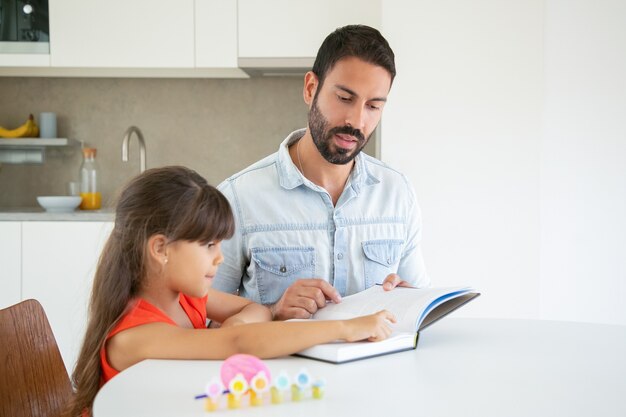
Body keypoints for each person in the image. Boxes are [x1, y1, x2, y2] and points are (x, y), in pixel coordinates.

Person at [69, 166, 395, 416]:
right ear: (160, 248)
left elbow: (256, 311)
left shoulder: (188, 300)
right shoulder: (134, 336)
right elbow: (239, 342)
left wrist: (238, 325)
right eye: (209, 244)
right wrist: (344, 328)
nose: (220, 257)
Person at [213, 25, 430, 320]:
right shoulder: (237, 199)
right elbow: (201, 321)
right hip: (282, 368)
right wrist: (272, 311)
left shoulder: (397, 193)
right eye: (344, 98)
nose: (356, 120)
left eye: (373, 106)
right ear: (310, 88)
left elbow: (420, 308)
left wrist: (405, 302)